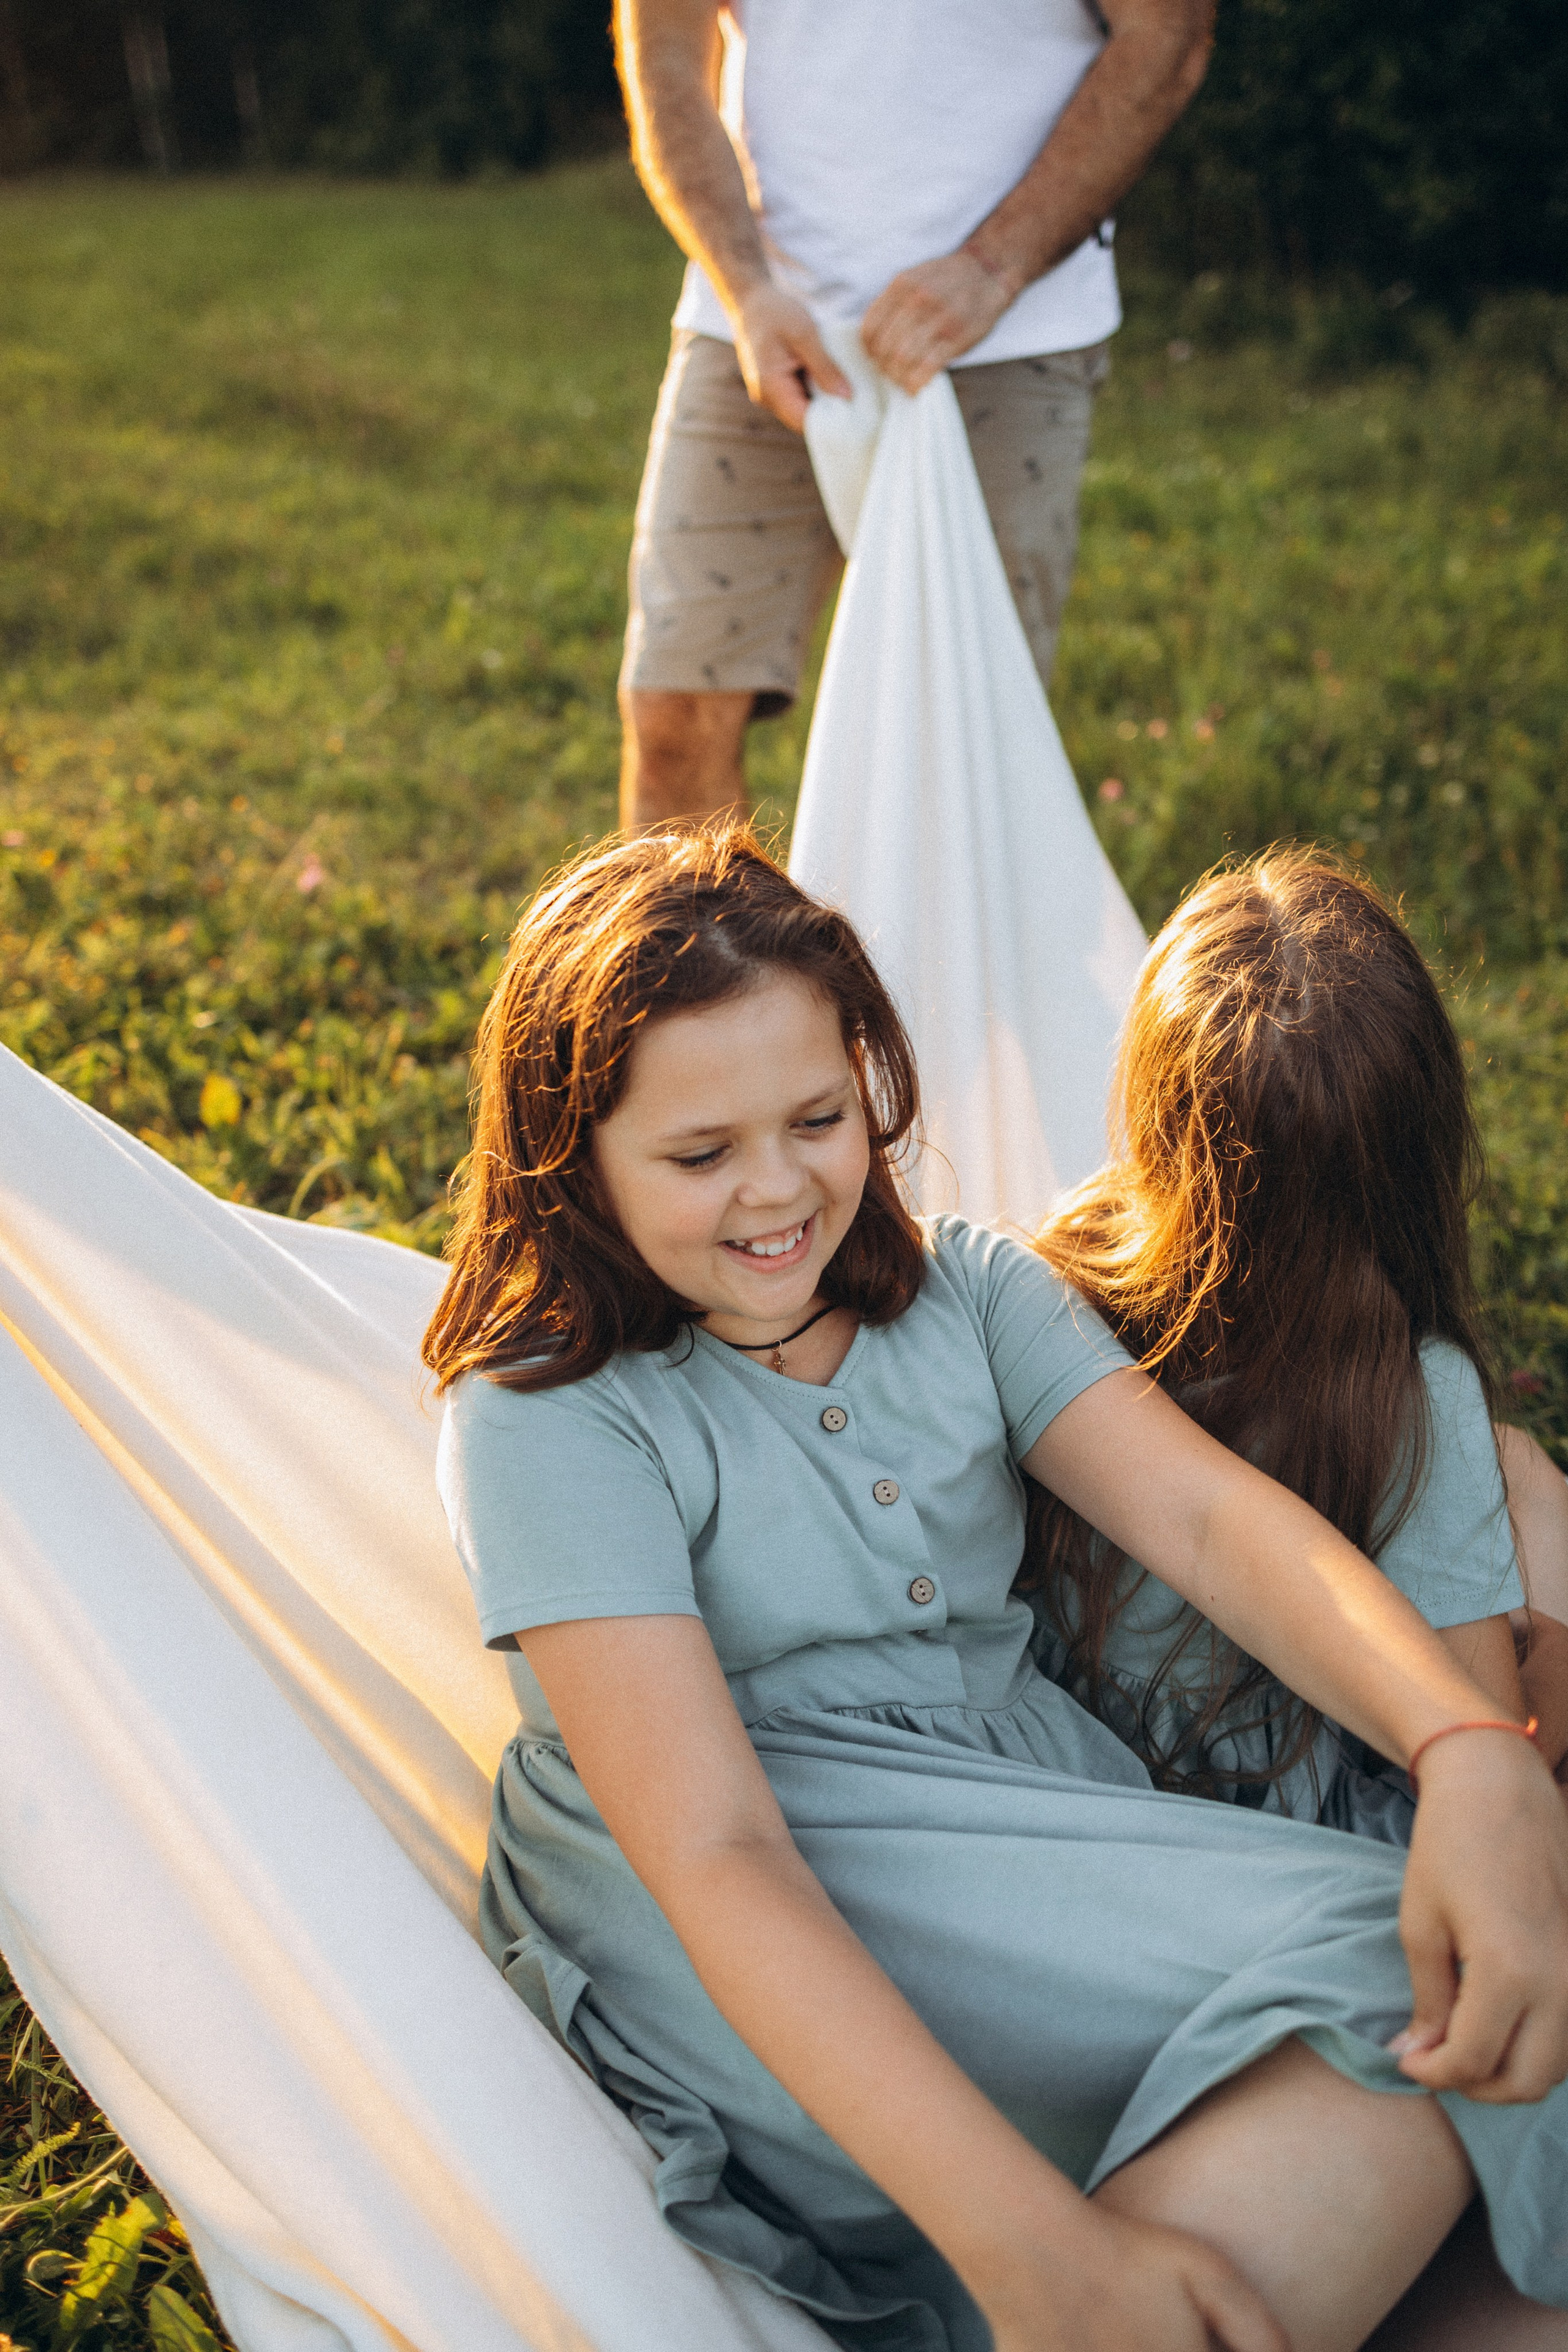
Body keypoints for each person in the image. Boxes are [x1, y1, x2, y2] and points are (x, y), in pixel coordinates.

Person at [424, 827, 1568, 2352]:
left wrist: (1461, 1749)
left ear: (870, 1080)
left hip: (1017, 1820)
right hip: (757, 1877)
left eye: (818, 1118)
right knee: (1394, 1967)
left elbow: (1214, 1524)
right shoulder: (551, 1409)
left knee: (1463, 2005)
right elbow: (714, 1854)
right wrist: (1034, 2251)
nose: (775, 1191)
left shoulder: (965, 1289)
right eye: (698, 1156)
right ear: (572, 1160)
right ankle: (1059, 2290)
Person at [1027, 851, 1568, 1844]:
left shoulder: (1049, 1284)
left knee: (1525, 1477)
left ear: (1158, 1123)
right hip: (1297, 1838)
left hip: (1053, 1782)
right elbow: (1491, 1745)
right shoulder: (1406, 1395)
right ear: (1422, 1149)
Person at [614, 0, 1214, 832]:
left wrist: (993, 267)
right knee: (674, 718)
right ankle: (704, 968)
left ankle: (917, 971)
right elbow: (666, 51)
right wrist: (745, 286)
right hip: (756, 318)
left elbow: (1168, 37)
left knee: (956, 754)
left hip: (1006, 332)